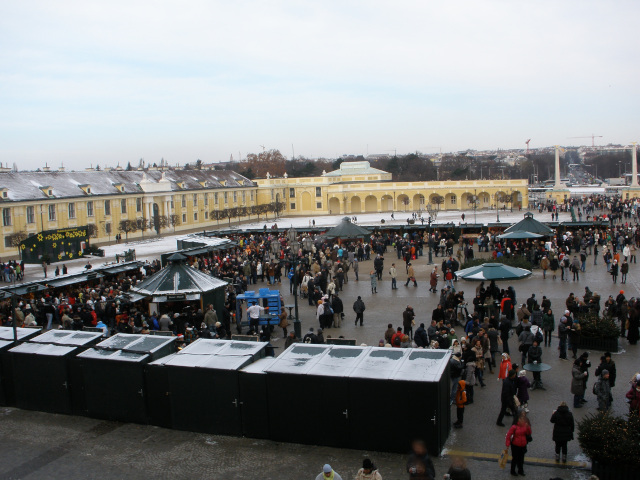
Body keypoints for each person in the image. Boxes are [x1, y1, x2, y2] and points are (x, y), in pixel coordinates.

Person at [505, 411, 532, 476]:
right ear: (518, 419)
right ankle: (513, 470)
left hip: (523, 444)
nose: (523, 420)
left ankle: (520, 470)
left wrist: (528, 427)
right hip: (515, 445)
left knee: (521, 458)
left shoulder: (525, 426)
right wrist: (508, 444)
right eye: (521, 419)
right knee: (515, 458)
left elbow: (529, 433)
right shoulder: (514, 427)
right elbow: (508, 435)